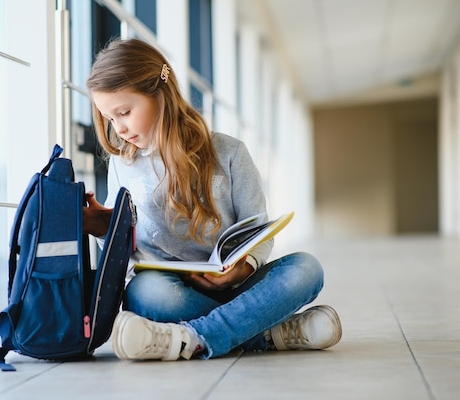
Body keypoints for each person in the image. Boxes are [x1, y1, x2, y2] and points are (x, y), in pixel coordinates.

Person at [83, 37, 342, 361]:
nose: (118, 128)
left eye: (124, 112)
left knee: (307, 268)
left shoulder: (230, 153)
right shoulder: (123, 165)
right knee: (143, 294)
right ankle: (266, 331)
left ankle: (190, 339)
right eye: (109, 118)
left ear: (159, 95)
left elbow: (259, 232)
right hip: (170, 289)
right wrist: (103, 228)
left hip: (235, 284)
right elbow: (127, 248)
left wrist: (243, 269)